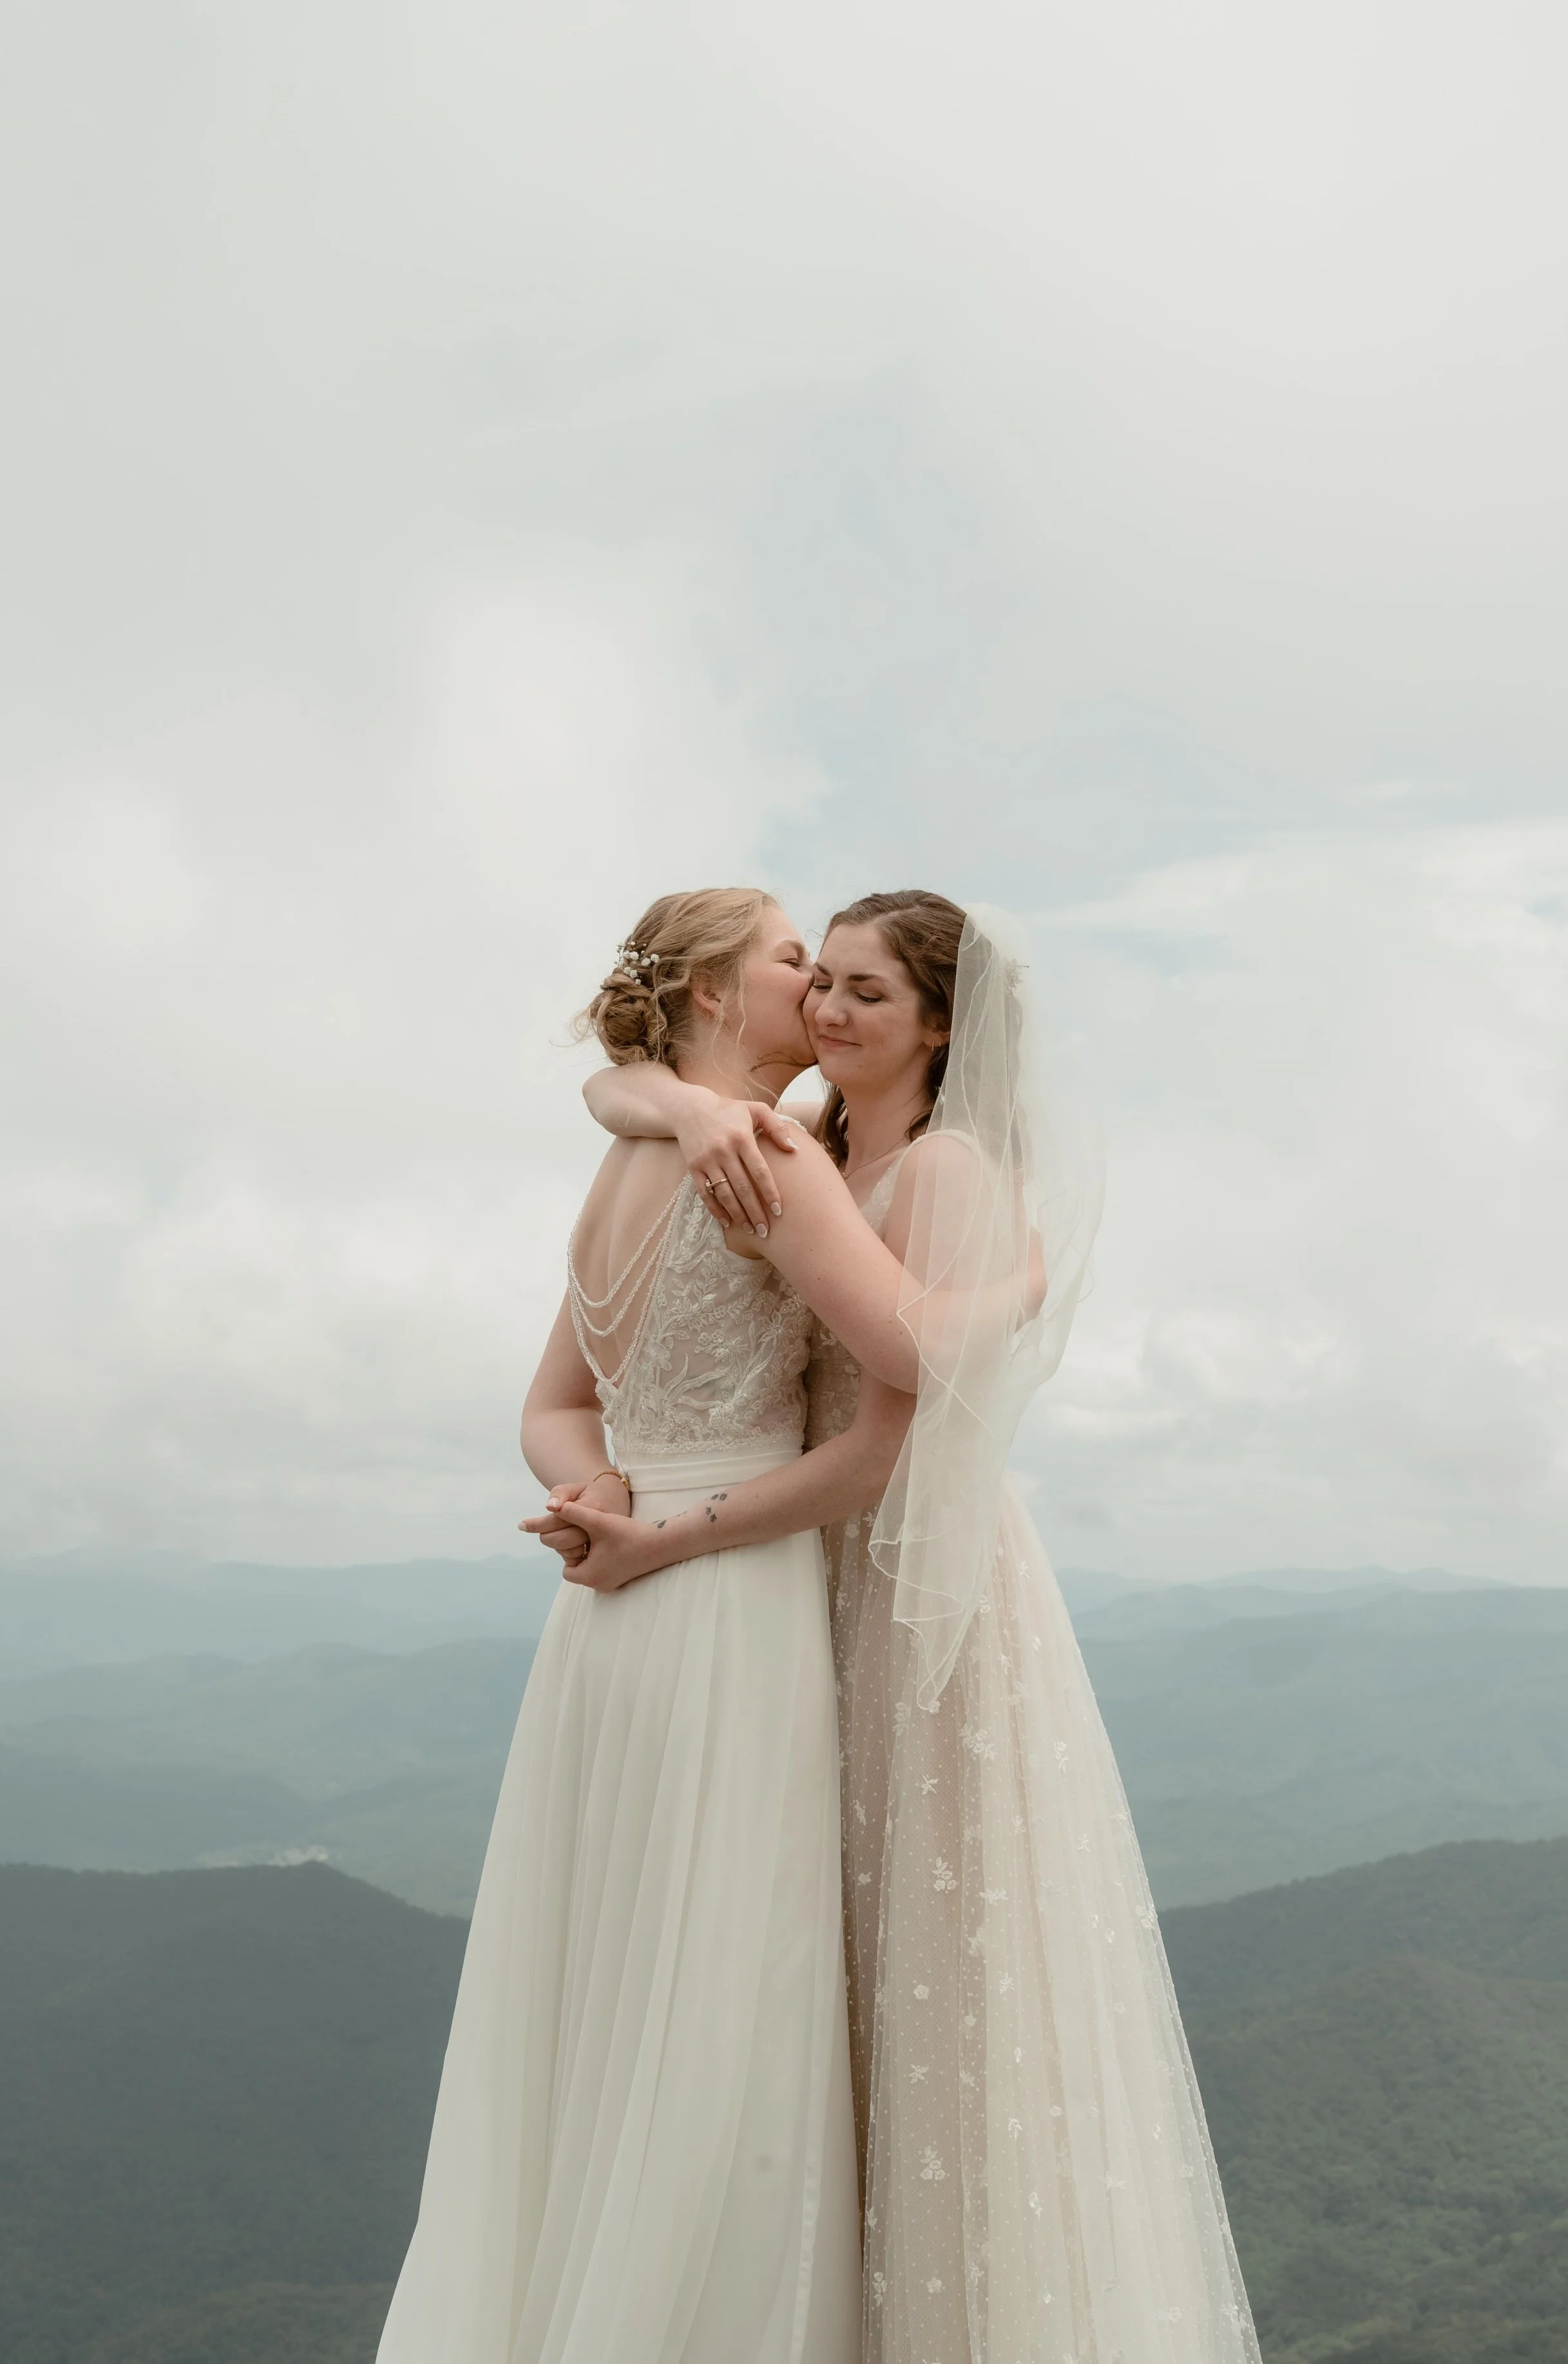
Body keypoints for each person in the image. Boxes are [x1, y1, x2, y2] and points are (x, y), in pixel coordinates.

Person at [581, 891, 1263, 2364]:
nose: (828, 1010)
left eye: (866, 993)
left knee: (925, 1966)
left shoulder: (944, 1169)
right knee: (804, 1958)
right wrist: (668, 1100)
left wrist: (1011, 1286)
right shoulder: (813, 1148)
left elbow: (887, 1436)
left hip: (911, 1589)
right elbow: (620, 1085)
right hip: (796, 1576)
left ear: (942, 1025)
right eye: (817, 981)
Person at [377, 887, 928, 2364]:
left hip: (606, 1615)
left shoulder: (624, 1156)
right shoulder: (763, 1154)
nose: (813, 985)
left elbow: (550, 1408)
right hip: (726, 1593)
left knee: (611, 1986)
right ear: (707, 995)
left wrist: (598, 1486)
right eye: (790, 961)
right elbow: (914, 1355)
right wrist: (1026, 1280)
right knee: (726, 1998)